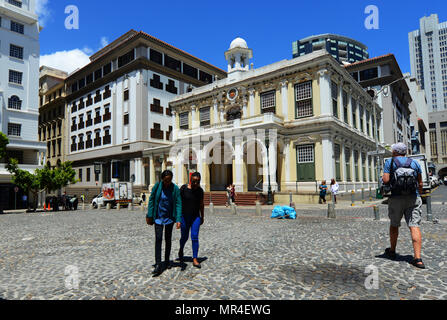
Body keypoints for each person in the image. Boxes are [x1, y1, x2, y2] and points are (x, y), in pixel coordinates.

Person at [382, 143, 425, 269]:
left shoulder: (390, 162)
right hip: (413, 197)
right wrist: (419, 194)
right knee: (414, 225)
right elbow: (420, 182)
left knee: (394, 224)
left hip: (396, 198)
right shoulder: (415, 163)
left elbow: (385, 180)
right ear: (405, 152)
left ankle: (392, 250)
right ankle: (417, 258)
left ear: (395, 151)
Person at [146, 170, 182, 277]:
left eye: (170, 180)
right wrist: (149, 215)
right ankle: (158, 263)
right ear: (162, 179)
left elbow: (178, 203)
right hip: (158, 217)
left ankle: (166, 261)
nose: (168, 182)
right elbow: (151, 200)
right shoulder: (157, 187)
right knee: (158, 239)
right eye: (166, 180)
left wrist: (178, 219)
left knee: (168, 239)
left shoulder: (174, 188)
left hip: (169, 218)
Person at [178, 172, 205, 268]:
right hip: (184, 217)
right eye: (194, 181)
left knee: (194, 237)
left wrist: (202, 216)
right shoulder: (184, 189)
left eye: (198, 182)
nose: (195, 184)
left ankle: (195, 258)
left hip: (195, 217)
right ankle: (181, 248)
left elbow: (201, 204)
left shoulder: (200, 191)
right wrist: (178, 218)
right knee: (184, 237)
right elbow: (178, 203)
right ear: (190, 180)